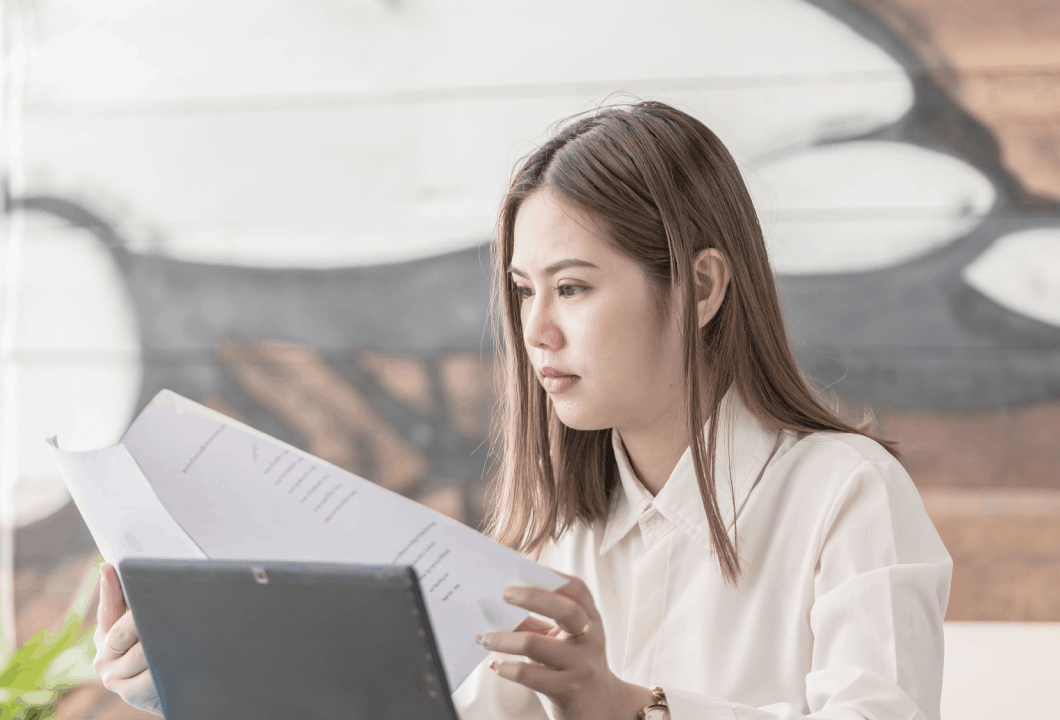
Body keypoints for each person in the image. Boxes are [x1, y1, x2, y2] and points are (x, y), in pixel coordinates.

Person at [92, 100, 952, 720]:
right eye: (522, 292)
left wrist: (628, 708)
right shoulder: (552, 541)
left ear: (699, 286)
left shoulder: (848, 495)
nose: (534, 331)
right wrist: (191, 681)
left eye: (573, 288)